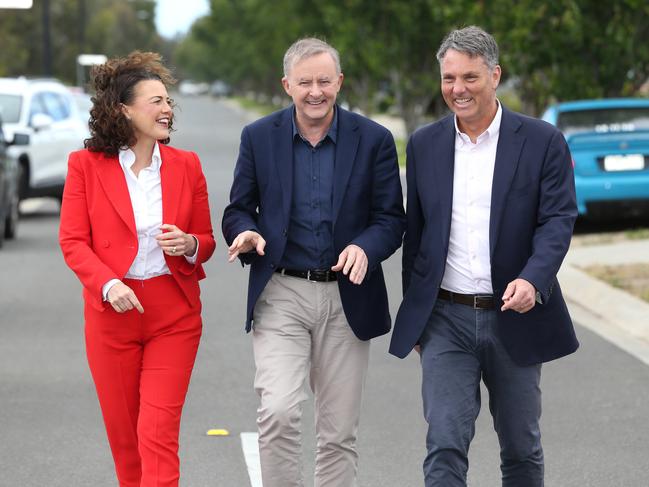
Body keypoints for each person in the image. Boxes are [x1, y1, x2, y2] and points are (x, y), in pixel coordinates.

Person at [389, 26, 579, 487]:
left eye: (470, 78)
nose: (458, 89)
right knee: (445, 444)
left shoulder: (541, 141)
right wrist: (415, 313)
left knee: (520, 447)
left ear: (495, 75)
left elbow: (557, 221)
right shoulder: (424, 145)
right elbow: (417, 237)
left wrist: (534, 280)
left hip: (514, 314)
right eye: (449, 78)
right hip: (445, 318)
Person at [222, 37, 405, 487]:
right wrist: (244, 232)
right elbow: (237, 208)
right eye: (305, 82)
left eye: (324, 80)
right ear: (287, 85)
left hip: (348, 296)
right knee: (280, 410)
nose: (315, 91)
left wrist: (365, 246)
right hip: (282, 292)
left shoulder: (375, 140)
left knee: (338, 432)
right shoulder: (258, 137)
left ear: (339, 82)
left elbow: (390, 219)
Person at [59, 51, 215, 487]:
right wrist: (108, 283)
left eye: (168, 101)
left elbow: (204, 241)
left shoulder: (188, 166)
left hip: (174, 315)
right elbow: (73, 241)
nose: (167, 109)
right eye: (155, 101)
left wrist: (187, 245)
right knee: (127, 442)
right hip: (113, 315)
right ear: (123, 110)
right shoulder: (85, 166)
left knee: (157, 433)